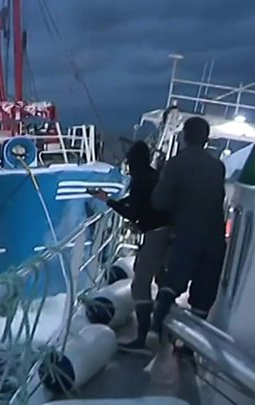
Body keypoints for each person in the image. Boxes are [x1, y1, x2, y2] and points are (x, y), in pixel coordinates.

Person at [150, 116, 226, 344]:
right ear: (206, 139)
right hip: (214, 238)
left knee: (171, 284)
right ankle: (190, 346)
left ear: (185, 136)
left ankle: (155, 331)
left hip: (186, 234)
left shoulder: (176, 164)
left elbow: (159, 201)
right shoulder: (218, 167)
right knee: (203, 295)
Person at [90, 141, 171, 355]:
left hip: (155, 235)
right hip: (167, 234)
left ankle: (143, 338)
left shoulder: (139, 180)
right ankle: (159, 329)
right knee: (162, 282)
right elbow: (140, 202)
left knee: (140, 286)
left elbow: (133, 212)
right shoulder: (153, 176)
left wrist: (108, 201)